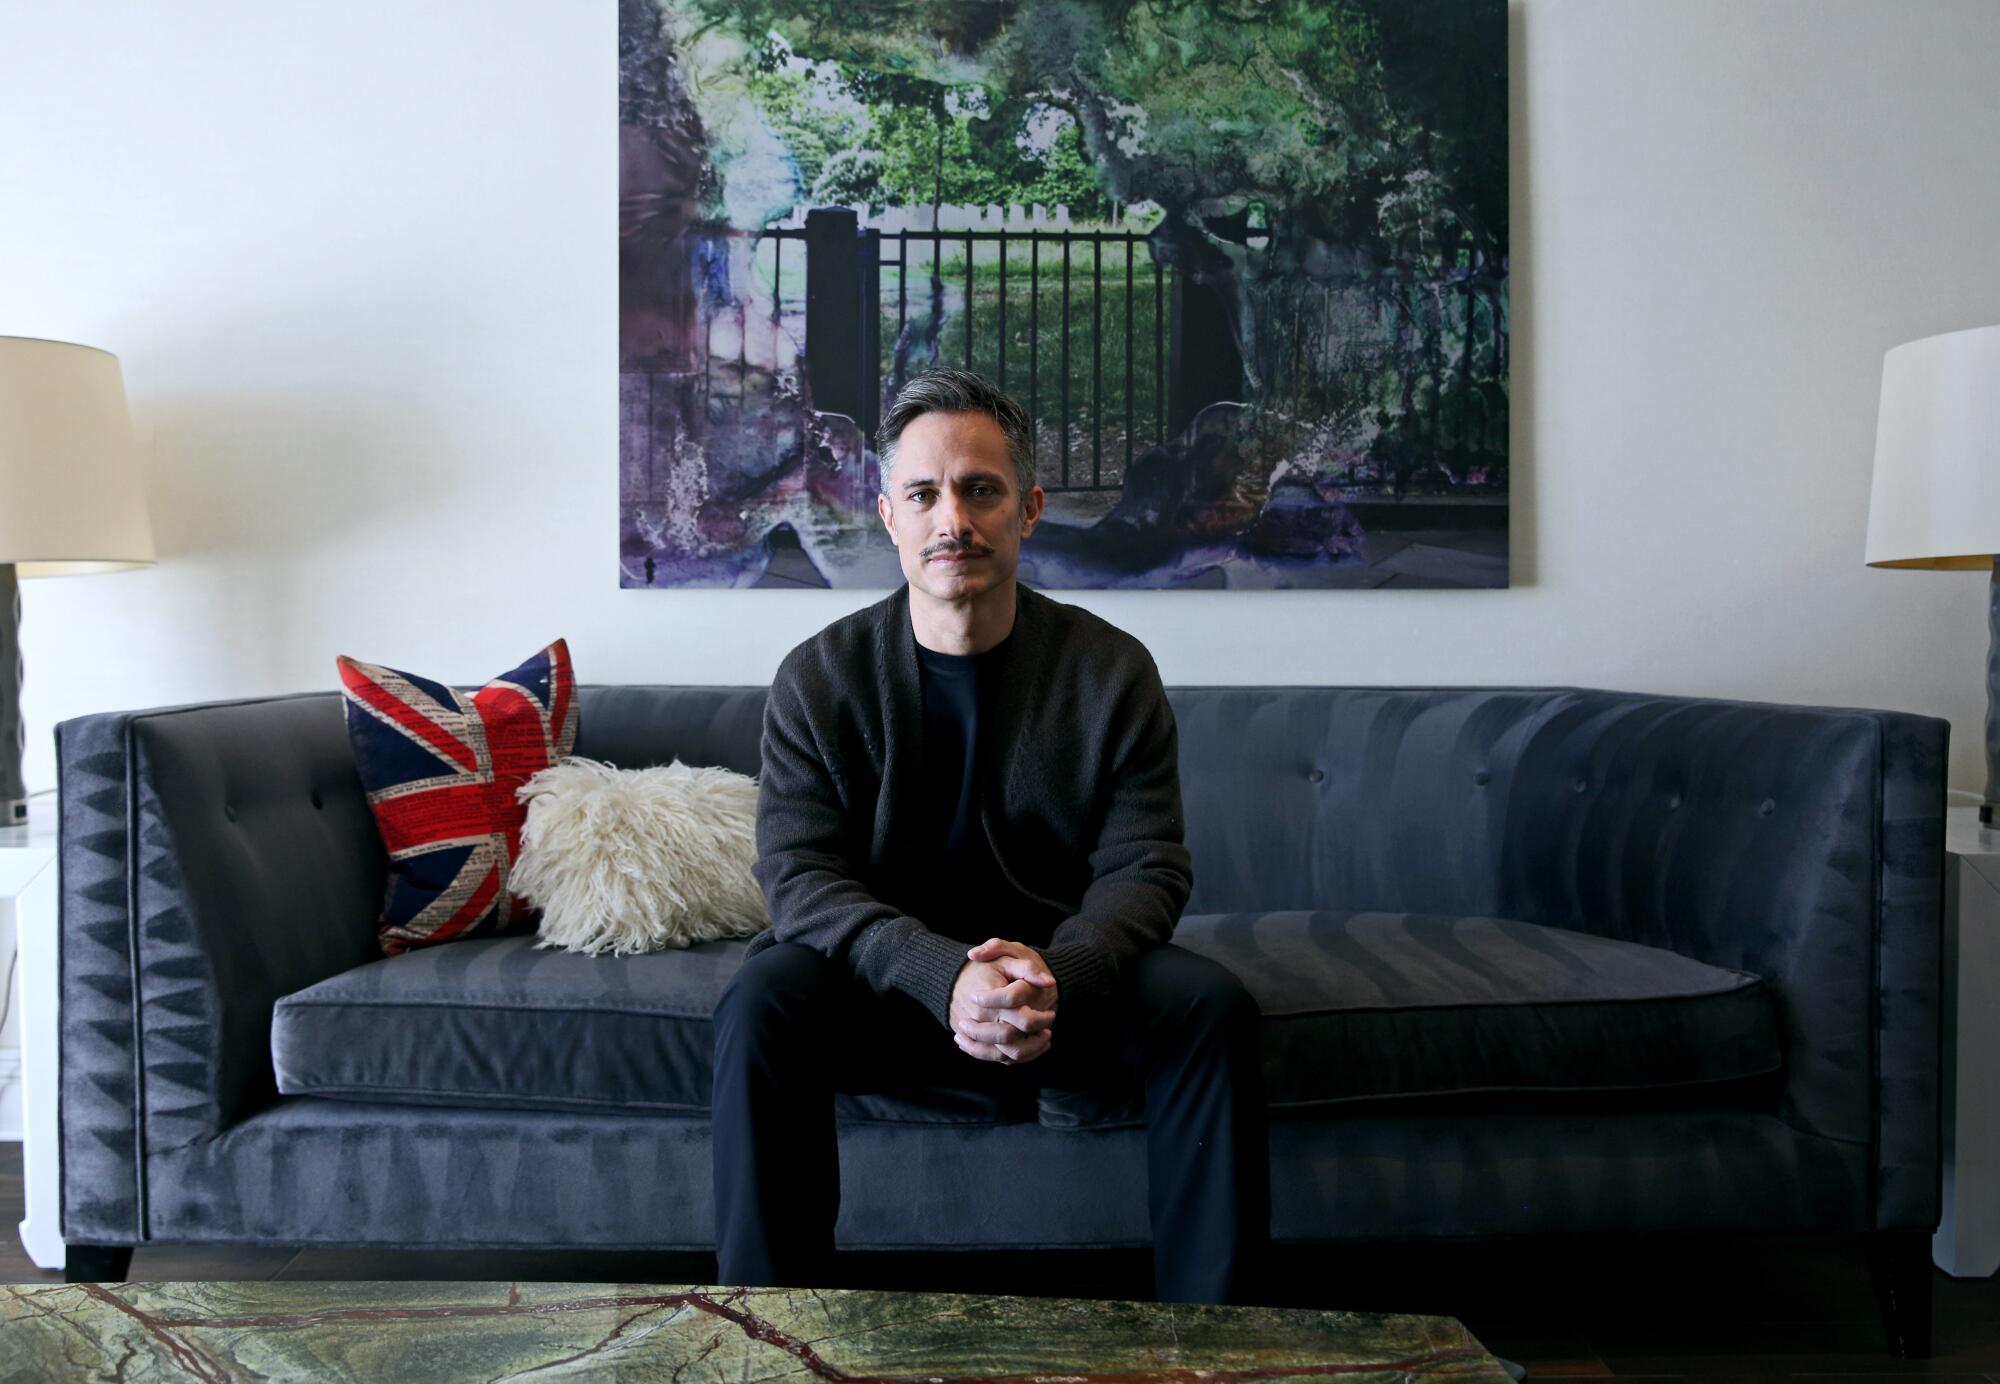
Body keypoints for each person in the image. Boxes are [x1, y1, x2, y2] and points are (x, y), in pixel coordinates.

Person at [710, 366, 1270, 1304]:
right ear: (889, 515)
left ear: (1029, 509)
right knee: (764, 995)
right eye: (924, 495)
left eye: (981, 491)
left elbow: (1148, 867)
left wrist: (1060, 972)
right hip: (885, 993)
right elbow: (802, 881)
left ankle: (1216, 1342)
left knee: (1208, 1008)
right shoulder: (819, 677)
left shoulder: (1110, 671)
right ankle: (772, 1336)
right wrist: (944, 976)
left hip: (1061, 995)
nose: (952, 522)